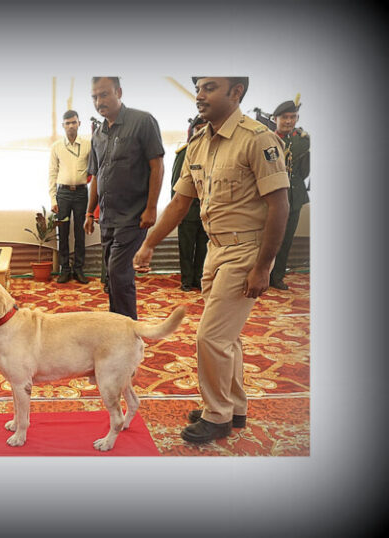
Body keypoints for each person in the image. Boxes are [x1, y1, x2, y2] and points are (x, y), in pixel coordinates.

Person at [133, 77, 290, 444]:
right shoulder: (199, 144)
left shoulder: (258, 139)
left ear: (236, 92)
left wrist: (263, 266)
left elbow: (279, 205)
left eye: (210, 87)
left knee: (212, 337)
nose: (200, 95)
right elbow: (179, 203)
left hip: (245, 251)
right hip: (215, 251)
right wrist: (149, 245)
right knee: (226, 338)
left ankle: (216, 415)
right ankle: (233, 408)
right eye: (199, 87)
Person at [84, 76, 165, 319]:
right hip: (108, 218)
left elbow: (157, 166)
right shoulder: (98, 133)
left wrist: (151, 208)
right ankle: (116, 327)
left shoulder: (142, 121)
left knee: (119, 273)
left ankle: (129, 332)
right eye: (95, 97)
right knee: (112, 277)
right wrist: (90, 212)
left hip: (133, 216)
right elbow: (97, 175)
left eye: (104, 94)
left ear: (118, 92)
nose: (99, 101)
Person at [270, 98, 310, 290]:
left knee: (286, 239)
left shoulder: (302, 141)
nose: (288, 121)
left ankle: (277, 276)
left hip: (293, 197)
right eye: (284, 117)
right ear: (275, 118)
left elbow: (304, 171)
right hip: (269, 198)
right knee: (267, 238)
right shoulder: (266, 138)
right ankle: (262, 274)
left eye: (293, 117)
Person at [49, 110, 92, 284]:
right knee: (63, 232)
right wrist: (53, 199)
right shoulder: (57, 147)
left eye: (74, 122)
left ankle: (79, 269)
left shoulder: (88, 145)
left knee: (81, 233)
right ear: (63, 126)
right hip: (63, 195)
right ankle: (65, 269)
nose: (71, 126)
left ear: (79, 124)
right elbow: (52, 173)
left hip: (81, 193)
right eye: (67, 123)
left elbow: (95, 171)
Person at [172, 116, 209, 291]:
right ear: (192, 131)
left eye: (205, 128)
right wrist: (176, 213)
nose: (201, 132)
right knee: (186, 249)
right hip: (188, 211)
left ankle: (198, 279)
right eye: (198, 129)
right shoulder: (184, 153)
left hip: (207, 211)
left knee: (204, 248)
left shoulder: (214, 152)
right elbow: (175, 185)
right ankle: (186, 280)